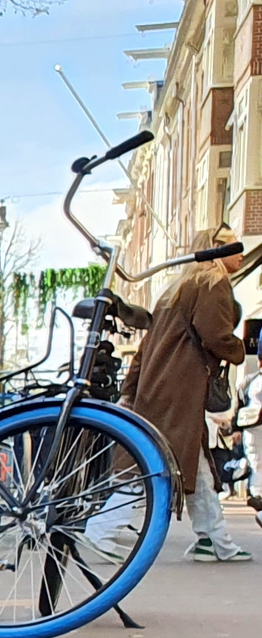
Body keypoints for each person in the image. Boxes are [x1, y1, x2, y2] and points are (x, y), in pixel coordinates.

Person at [123, 228, 251, 561]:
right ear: (212, 251)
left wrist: (130, 389)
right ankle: (103, 530)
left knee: (191, 465)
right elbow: (216, 334)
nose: (241, 249)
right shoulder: (212, 283)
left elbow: (145, 347)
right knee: (149, 466)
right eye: (231, 245)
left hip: (160, 387)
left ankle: (213, 540)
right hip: (182, 388)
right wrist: (241, 349)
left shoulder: (173, 291)